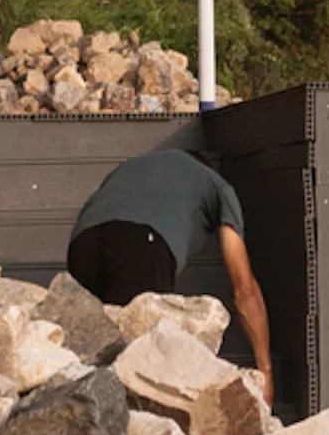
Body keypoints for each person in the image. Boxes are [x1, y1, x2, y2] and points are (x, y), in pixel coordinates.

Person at [68, 144, 277, 403]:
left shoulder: (133, 165)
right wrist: (265, 371)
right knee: (140, 365)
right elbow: (244, 289)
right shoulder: (216, 185)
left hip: (81, 243)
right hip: (140, 243)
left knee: (89, 359)